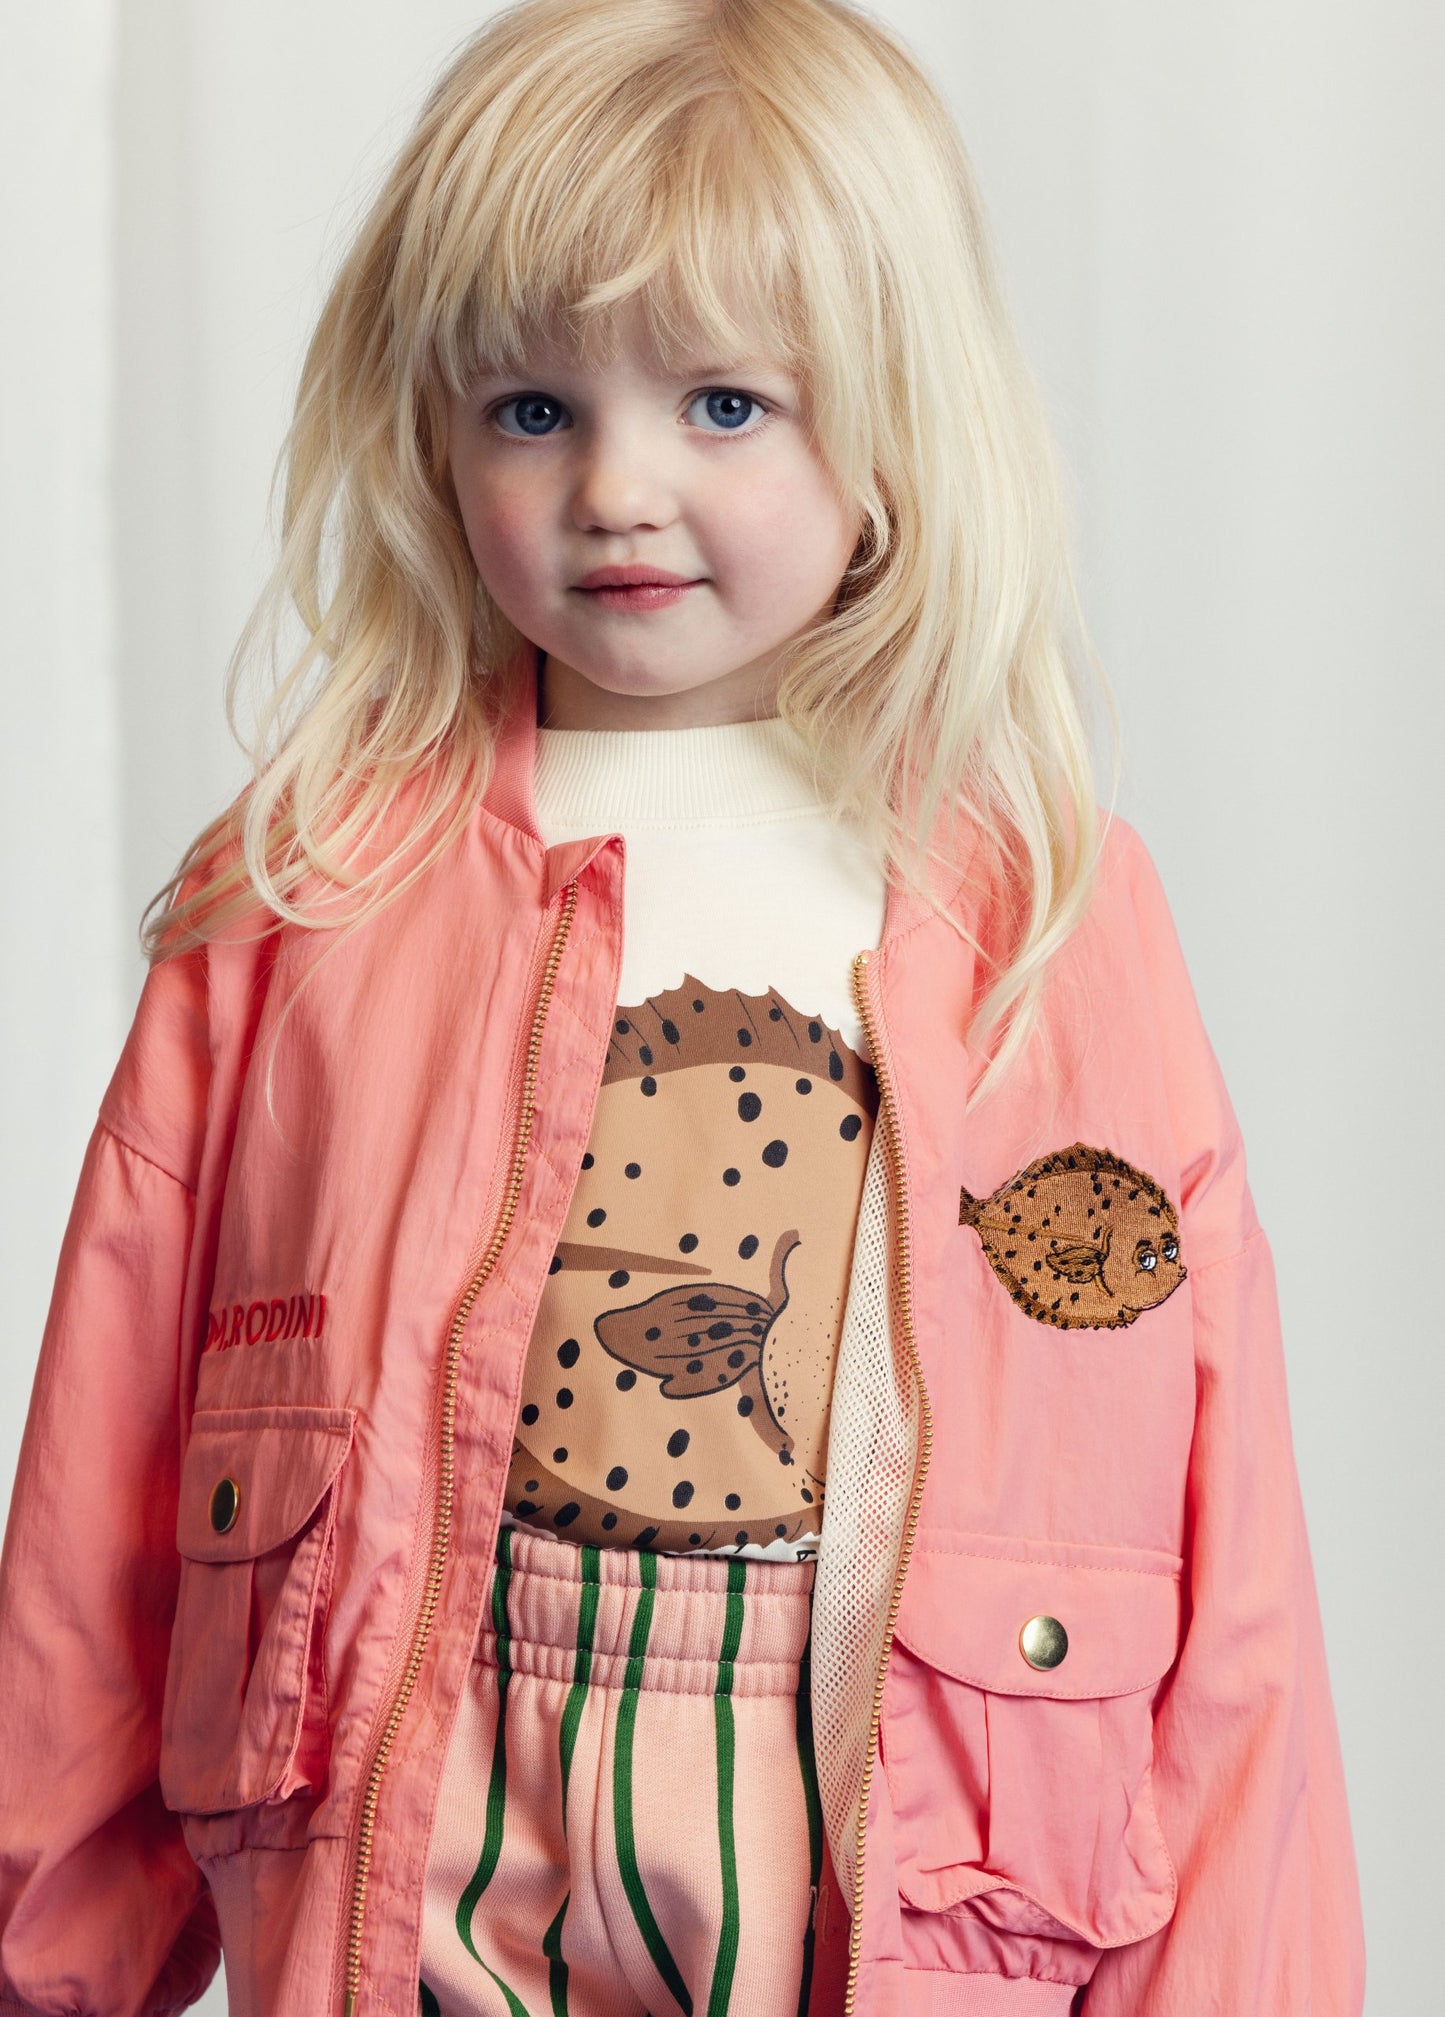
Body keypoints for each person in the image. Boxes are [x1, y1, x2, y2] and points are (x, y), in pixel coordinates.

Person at [0, 1, 1365, 2013]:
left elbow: (1217, 1524)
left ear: (891, 424)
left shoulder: (1045, 904)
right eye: (532, 411)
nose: (620, 486)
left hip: (876, 1856)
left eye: (724, 404)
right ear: (431, 428)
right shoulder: (307, 879)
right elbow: (103, 1454)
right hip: (418, 1839)